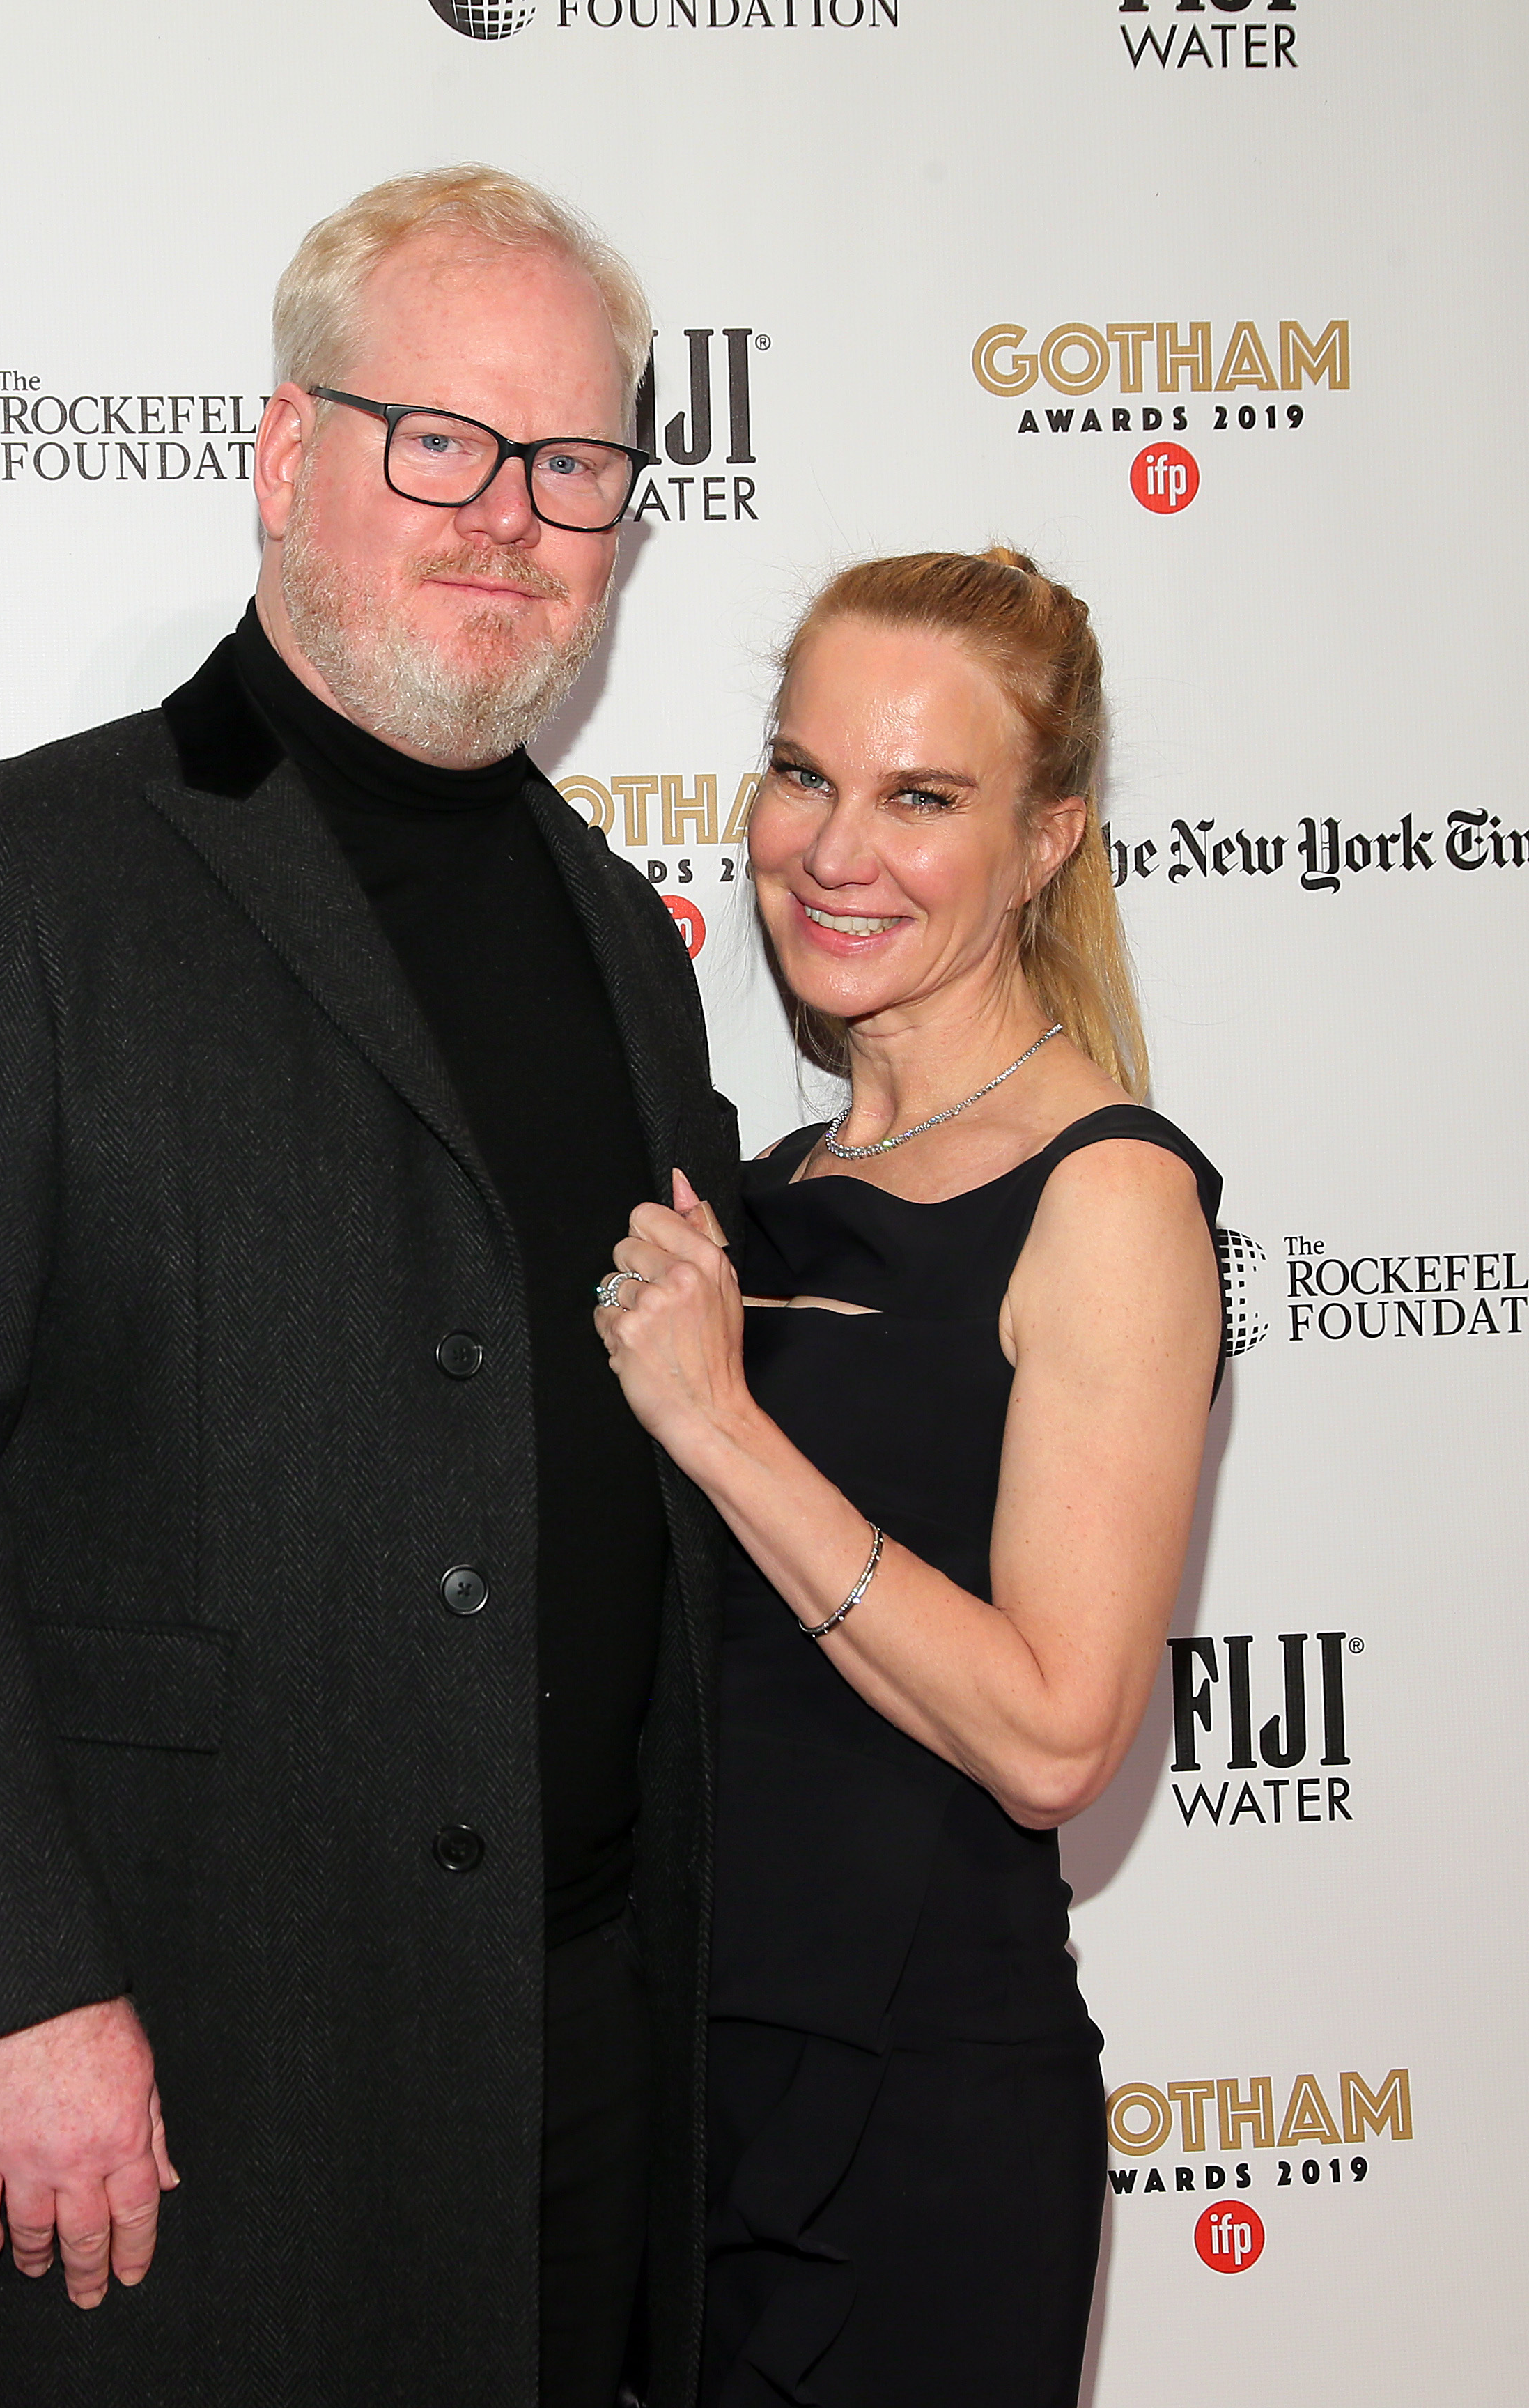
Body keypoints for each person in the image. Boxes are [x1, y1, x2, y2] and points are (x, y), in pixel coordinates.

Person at [0, 166, 738, 2408]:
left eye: (576, 466)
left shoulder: (621, 938)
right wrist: (3, 1988)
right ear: (291, 457)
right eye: (442, 442)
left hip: (564, 2053)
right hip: (170, 2064)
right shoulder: (20, 871)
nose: (511, 515)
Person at [590, 552, 1223, 2407]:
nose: (833, 847)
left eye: (921, 797)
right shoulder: (767, 1185)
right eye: (806, 775)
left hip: (918, 2124)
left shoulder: (1110, 1197)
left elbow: (1053, 1735)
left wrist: (718, 1424)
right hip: (683, 2097)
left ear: (1045, 842)